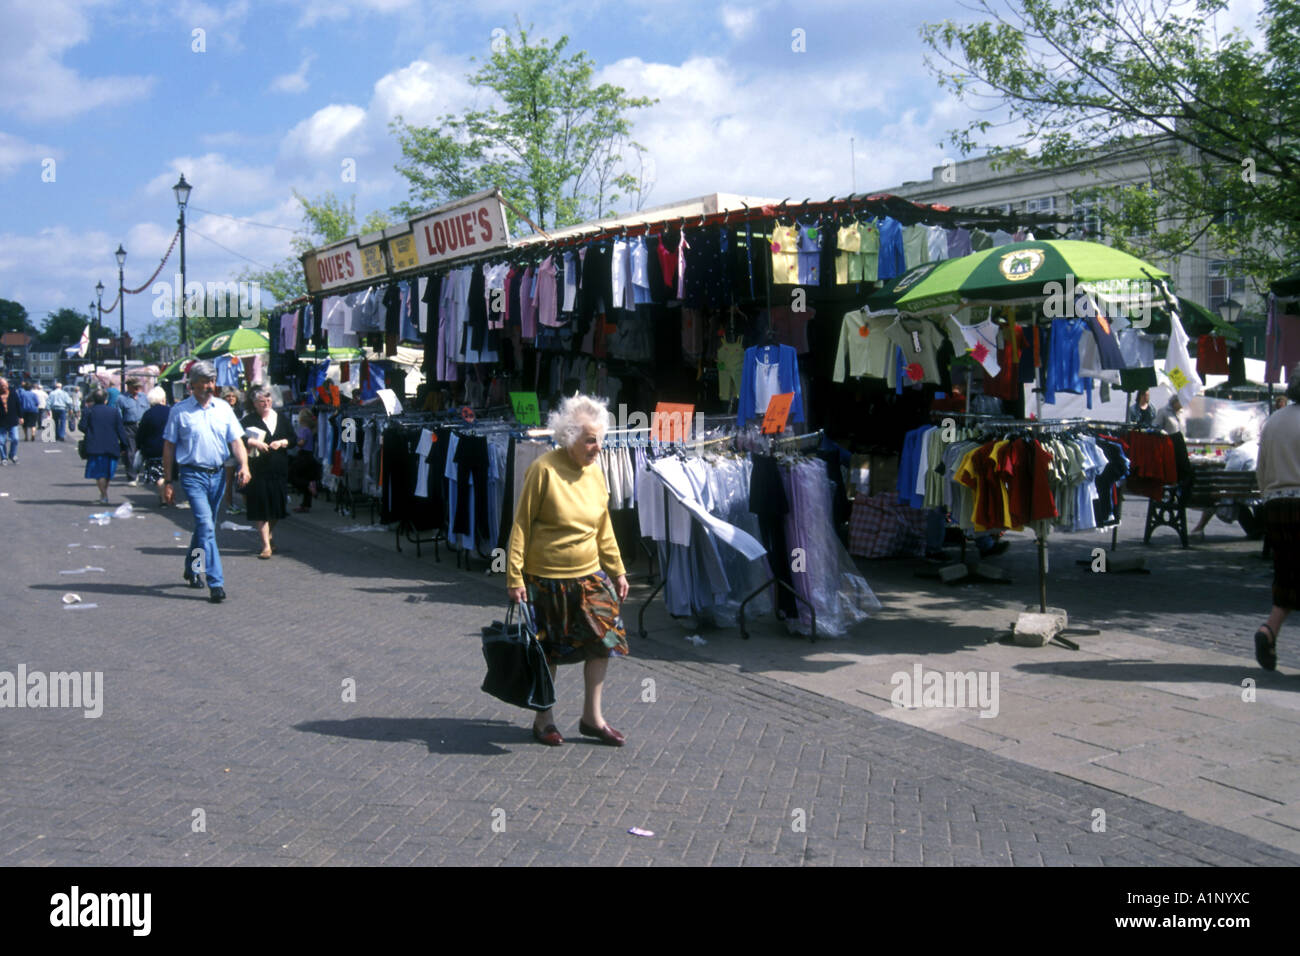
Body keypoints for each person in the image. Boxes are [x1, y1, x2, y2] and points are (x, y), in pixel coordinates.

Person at [506, 394, 630, 748]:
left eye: (600, 439)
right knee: (549, 651)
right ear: (569, 436)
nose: (597, 448)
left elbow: (603, 526)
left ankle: (592, 718)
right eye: (590, 439)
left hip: (590, 577)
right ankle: (543, 719)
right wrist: (514, 577)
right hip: (546, 580)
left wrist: (617, 570)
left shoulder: (595, 473)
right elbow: (521, 527)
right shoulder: (543, 469)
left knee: (604, 640)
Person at [162, 362, 250, 604]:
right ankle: (216, 582)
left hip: (218, 475)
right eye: (205, 382)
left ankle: (192, 567)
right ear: (192, 384)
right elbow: (168, 447)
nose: (210, 386)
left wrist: (244, 465)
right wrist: (168, 481)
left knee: (205, 526)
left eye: (212, 382)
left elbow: (236, 441)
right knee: (207, 526)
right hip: (192, 475)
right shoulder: (179, 411)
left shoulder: (223, 409)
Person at [1253, 368, 1300, 670]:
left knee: (1287, 573)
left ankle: (1268, 630)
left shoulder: (1274, 420)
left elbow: (1261, 469)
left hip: (1275, 506)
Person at [239, 385, 296, 559]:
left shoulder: (282, 418)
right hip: (258, 469)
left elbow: (294, 439)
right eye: (261, 401)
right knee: (261, 506)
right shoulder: (249, 420)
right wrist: (253, 443)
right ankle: (265, 545)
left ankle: (269, 533)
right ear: (254, 403)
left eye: (268, 400)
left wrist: (283, 443)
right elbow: (238, 438)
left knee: (277, 507)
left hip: (278, 468)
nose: (266, 403)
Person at [81, 389, 128, 505]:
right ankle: (104, 494)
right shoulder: (114, 412)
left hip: (94, 445)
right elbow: (120, 430)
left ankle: (104, 495)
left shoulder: (89, 411)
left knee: (99, 473)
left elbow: (82, 426)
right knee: (107, 473)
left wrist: (91, 431)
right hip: (111, 445)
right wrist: (124, 446)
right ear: (106, 400)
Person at [135, 386, 172, 507]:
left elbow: (141, 433)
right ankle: (169, 496)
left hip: (153, 450)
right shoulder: (170, 412)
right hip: (170, 449)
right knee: (168, 475)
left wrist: (139, 446)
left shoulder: (148, 414)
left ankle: (163, 499)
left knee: (158, 476)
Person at [116, 380, 149, 483]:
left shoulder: (144, 397)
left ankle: (141, 472)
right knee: (130, 452)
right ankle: (132, 476)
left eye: (138, 387)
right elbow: (118, 415)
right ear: (128, 386)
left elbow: (148, 411)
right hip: (129, 426)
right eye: (134, 387)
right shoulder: (121, 399)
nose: (137, 389)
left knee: (143, 452)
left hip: (143, 426)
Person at [289, 408, 319, 512]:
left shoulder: (304, 430)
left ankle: (308, 484)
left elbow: (302, 443)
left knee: (293, 476)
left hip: (303, 455)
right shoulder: (310, 430)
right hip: (310, 456)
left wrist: (292, 443)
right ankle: (306, 505)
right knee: (306, 476)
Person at [220, 388, 244, 515]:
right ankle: (229, 504)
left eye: (233, 396)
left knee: (241, 478)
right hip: (227, 450)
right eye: (228, 396)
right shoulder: (221, 412)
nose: (231, 398)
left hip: (240, 450)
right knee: (228, 479)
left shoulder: (240, 411)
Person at [0, 378, 22, 465]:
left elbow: (18, 405)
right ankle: (4, 457)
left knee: (15, 439)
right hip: (1, 421)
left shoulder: (13, 393)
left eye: (5, 385)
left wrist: (21, 416)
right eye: (1, 386)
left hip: (12, 420)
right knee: (1, 441)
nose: (4, 387)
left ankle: (12, 455)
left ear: (7, 385)